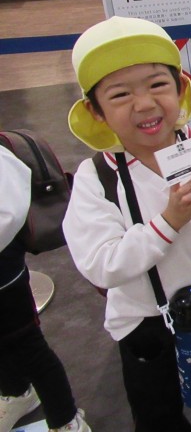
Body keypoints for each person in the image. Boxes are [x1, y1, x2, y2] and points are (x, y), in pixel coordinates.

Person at [62, 16, 191, 431]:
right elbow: (101, 264)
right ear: (96, 112)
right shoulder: (97, 177)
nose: (145, 104)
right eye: (120, 94)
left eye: (157, 85)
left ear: (181, 88)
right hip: (146, 323)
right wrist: (168, 222)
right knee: (157, 415)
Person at [0, 146, 91, 432]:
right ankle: (16, 392)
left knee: (27, 344)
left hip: (3, 273)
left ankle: (65, 419)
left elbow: (10, 208)